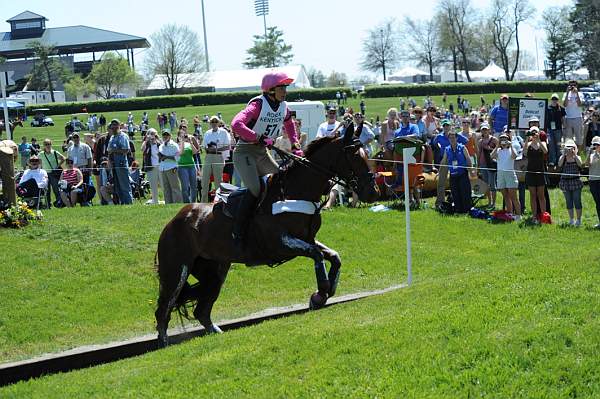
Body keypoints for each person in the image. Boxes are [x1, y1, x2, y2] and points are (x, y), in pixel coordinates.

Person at [230, 71, 303, 248]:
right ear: (271, 90)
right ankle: (238, 232)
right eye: (282, 87)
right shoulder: (257, 105)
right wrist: (258, 137)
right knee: (255, 189)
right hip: (245, 152)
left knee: (279, 182)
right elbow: (236, 124)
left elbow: (289, 124)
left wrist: (295, 143)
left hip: (262, 152)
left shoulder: (283, 106)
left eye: (286, 87)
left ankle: (271, 224)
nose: (285, 91)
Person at [440, 130, 472, 213]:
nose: (452, 139)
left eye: (453, 137)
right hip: (453, 175)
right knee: (455, 193)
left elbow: (468, 159)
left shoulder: (462, 147)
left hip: (462, 174)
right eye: (450, 138)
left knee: (464, 192)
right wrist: (439, 171)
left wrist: (471, 170)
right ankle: (458, 210)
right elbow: (444, 161)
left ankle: (466, 210)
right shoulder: (447, 149)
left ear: (457, 138)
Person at [201, 116, 231, 203]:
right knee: (205, 180)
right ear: (210, 123)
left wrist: (216, 149)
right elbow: (204, 146)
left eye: (216, 121)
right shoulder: (207, 133)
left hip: (218, 156)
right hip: (208, 157)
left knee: (218, 180)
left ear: (218, 123)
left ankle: (219, 202)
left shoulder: (223, 132)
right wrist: (208, 148)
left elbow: (228, 146)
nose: (214, 123)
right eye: (212, 122)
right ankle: (204, 202)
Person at [491, 134, 521, 220]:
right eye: (501, 139)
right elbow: (491, 156)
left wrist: (510, 145)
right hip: (500, 174)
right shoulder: (498, 150)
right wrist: (497, 146)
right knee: (506, 196)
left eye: (505, 139)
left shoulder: (512, 149)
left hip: (510, 174)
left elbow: (514, 156)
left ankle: (518, 215)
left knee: (513, 196)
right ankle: (510, 214)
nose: (503, 141)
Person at [107, 120, 133, 205]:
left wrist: (114, 150)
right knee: (117, 186)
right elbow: (108, 150)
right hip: (113, 164)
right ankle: (123, 203)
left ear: (119, 126)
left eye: (115, 125)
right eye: (112, 125)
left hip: (121, 164)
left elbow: (126, 150)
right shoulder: (112, 137)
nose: (113, 127)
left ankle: (129, 203)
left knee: (124, 185)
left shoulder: (123, 136)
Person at [558, 139, 583, 226]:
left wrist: (574, 155)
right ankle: (571, 219)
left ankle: (579, 220)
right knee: (568, 201)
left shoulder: (577, 157)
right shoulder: (563, 157)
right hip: (565, 183)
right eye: (567, 148)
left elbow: (580, 164)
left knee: (577, 201)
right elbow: (559, 164)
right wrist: (564, 154)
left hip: (576, 182)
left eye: (571, 147)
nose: (569, 149)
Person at [524, 126, 548, 220]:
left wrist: (538, 140)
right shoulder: (528, 144)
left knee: (541, 195)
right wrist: (527, 139)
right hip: (530, 172)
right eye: (532, 132)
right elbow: (524, 153)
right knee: (532, 195)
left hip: (540, 171)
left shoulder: (542, 143)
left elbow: (545, 151)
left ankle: (543, 215)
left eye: (535, 132)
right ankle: (534, 216)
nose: (534, 134)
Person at [477, 123, 498, 209]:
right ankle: (489, 201)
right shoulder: (480, 141)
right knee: (486, 184)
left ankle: (494, 203)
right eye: (483, 129)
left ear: (489, 130)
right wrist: (478, 165)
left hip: (491, 164)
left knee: (492, 184)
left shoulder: (494, 139)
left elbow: (499, 149)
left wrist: (491, 149)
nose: (484, 131)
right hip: (483, 164)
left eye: (486, 129)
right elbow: (479, 154)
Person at [177, 127, 200, 203]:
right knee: (185, 186)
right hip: (182, 167)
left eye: (185, 135)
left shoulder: (189, 143)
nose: (184, 136)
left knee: (194, 186)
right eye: (182, 135)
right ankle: (186, 202)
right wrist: (182, 142)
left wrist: (190, 142)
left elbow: (195, 152)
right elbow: (181, 153)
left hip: (192, 166)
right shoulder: (177, 145)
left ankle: (193, 202)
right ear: (179, 137)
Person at [158, 130, 182, 204]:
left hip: (171, 168)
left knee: (175, 187)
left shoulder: (174, 145)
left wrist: (167, 157)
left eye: (167, 135)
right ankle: (168, 203)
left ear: (170, 136)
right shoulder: (161, 145)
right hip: (163, 168)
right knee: (166, 188)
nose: (165, 136)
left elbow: (178, 158)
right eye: (164, 135)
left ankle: (177, 203)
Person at [40, 139, 65, 207]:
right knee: (47, 190)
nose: (48, 146)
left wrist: (57, 166)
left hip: (54, 174)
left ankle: (59, 203)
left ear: (51, 144)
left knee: (56, 189)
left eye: (49, 144)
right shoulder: (41, 154)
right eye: (46, 144)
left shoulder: (54, 152)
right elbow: (37, 161)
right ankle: (48, 205)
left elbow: (63, 158)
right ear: (44, 145)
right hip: (45, 174)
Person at [141, 128, 162, 204]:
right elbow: (142, 149)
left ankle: (168, 200)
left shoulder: (159, 143)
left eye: (154, 134)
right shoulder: (147, 144)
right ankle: (155, 201)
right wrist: (146, 140)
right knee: (153, 186)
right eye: (151, 134)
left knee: (163, 184)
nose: (152, 136)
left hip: (160, 166)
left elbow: (163, 148)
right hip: (151, 167)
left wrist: (157, 139)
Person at [546, 93, 566, 166]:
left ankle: (559, 161)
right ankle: (552, 161)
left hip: (558, 129)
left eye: (556, 99)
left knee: (558, 145)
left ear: (558, 100)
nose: (554, 100)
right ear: (551, 100)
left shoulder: (561, 109)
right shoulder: (547, 108)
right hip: (549, 130)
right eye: (553, 99)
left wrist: (564, 129)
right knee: (551, 145)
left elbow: (563, 119)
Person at [563, 80, 583, 147]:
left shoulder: (580, 94)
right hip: (568, 118)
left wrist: (576, 93)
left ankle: (578, 155)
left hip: (577, 117)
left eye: (574, 85)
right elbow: (565, 105)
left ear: (577, 86)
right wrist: (567, 92)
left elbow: (580, 104)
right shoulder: (566, 94)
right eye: (571, 85)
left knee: (579, 138)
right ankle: (570, 153)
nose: (572, 86)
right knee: (569, 138)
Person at [587, 136, 600, 228]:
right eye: (594, 144)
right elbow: (587, 164)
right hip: (593, 181)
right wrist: (589, 153)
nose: (595, 146)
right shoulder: (591, 155)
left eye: (597, 144)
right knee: (598, 203)